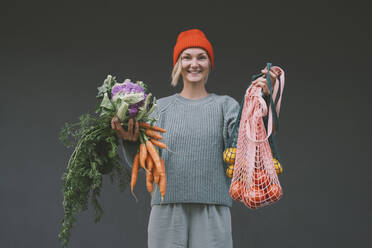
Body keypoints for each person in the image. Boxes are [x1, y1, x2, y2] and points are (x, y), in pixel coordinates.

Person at [112, 28, 280, 248]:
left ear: (209, 64)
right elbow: (144, 163)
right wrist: (130, 141)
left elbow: (249, 142)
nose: (194, 63)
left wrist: (263, 98)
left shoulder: (226, 107)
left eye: (202, 57)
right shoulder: (158, 109)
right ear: (178, 65)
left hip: (213, 209)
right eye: (187, 57)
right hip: (167, 209)